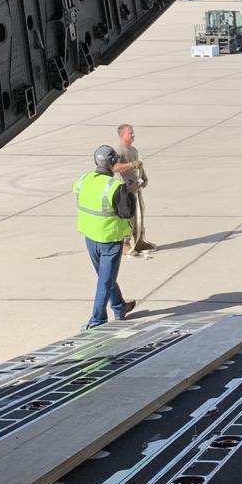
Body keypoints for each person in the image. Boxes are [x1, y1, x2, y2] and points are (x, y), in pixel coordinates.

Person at [75, 145, 138, 330]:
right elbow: (127, 213)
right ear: (113, 163)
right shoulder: (115, 187)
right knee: (105, 280)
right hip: (109, 239)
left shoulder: (82, 180)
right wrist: (130, 191)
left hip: (89, 237)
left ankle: (119, 306)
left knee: (105, 277)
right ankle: (97, 321)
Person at [115, 123, 156, 255]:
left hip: (136, 188)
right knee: (128, 217)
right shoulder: (118, 150)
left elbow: (139, 166)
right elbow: (114, 167)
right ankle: (125, 244)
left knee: (140, 214)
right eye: (130, 133)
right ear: (122, 135)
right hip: (125, 190)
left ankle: (139, 241)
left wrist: (144, 177)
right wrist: (131, 164)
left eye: (133, 132)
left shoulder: (133, 150)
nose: (133, 135)